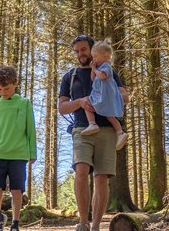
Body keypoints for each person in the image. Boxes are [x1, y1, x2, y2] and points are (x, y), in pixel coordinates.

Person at [57, 35, 128, 231]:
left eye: (84, 49)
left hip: (107, 128)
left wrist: (110, 97)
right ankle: (82, 222)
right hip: (81, 129)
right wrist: (80, 102)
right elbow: (62, 107)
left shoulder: (108, 71)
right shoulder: (70, 76)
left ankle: (96, 225)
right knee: (81, 170)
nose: (81, 54)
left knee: (101, 177)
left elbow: (125, 96)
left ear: (92, 50)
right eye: (77, 51)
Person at [0, 65, 36, 231]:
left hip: (19, 154)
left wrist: (32, 152)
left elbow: (30, 130)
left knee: (16, 190)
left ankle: (15, 222)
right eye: (0, 89)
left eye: (6, 88)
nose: (3, 92)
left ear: (15, 84)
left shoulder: (25, 103)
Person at [82, 39, 129, 150]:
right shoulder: (100, 68)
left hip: (105, 96)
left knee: (89, 102)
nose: (94, 60)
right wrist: (93, 70)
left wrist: (94, 68)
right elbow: (93, 79)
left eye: (96, 57)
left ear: (105, 56)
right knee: (108, 115)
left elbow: (103, 76)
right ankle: (118, 132)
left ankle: (94, 124)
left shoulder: (107, 67)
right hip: (102, 95)